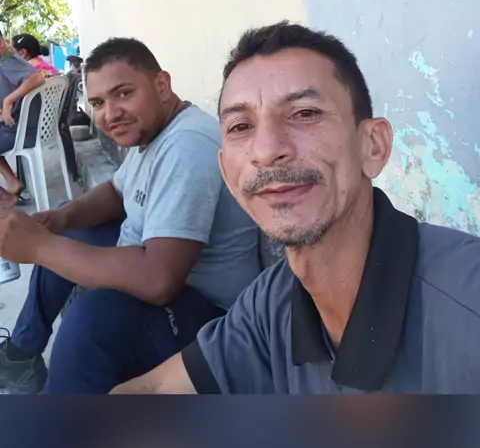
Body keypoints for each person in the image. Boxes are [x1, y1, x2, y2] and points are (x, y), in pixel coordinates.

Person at [112, 21, 480, 395]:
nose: (267, 150)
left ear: (373, 146)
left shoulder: (466, 305)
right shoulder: (272, 302)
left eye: (305, 113)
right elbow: (150, 390)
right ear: (227, 175)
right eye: (241, 126)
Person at [0, 37, 260, 394]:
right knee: (62, 233)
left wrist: (40, 248)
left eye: (123, 93)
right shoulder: (154, 132)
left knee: (88, 324)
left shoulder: (188, 144)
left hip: (210, 316)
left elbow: (159, 280)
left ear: (162, 85)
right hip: (159, 268)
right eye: (98, 103)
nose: (110, 114)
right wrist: (61, 220)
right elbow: (116, 192)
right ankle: (21, 355)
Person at [0, 30, 44, 208]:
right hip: (25, 128)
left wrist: (8, 101)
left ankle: (8, 191)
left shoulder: (7, 62)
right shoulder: (10, 61)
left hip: (21, 132)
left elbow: (37, 78)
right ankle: (12, 182)